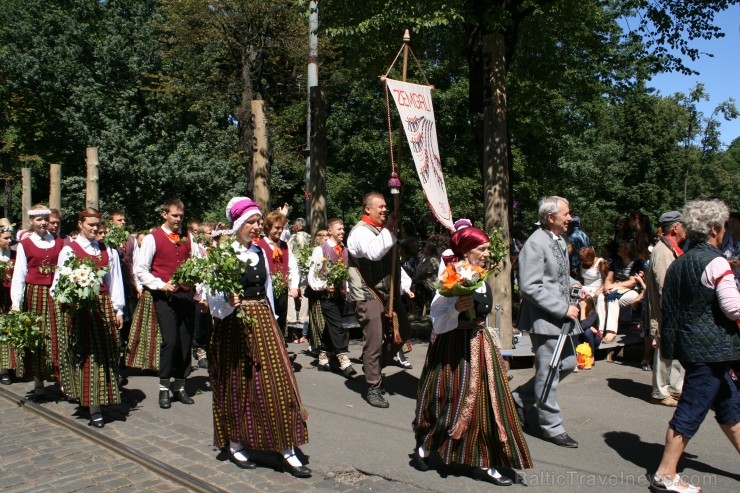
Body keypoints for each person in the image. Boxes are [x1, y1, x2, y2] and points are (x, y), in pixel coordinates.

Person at [413, 225, 532, 485]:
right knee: (448, 400)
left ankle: (487, 462)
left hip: (480, 344)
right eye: (482, 248)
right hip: (454, 348)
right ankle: (426, 444)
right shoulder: (451, 276)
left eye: (487, 248)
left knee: (489, 404)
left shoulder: (479, 273)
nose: (487, 253)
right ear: (466, 251)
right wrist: (456, 308)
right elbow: (438, 322)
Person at [207, 197, 310, 477]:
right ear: (238, 224)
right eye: (251, 222)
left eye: (257, 222)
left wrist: (274, 323)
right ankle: (237, 442)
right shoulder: (224, 254)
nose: (256, 227)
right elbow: (213, 301)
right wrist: (229, 301)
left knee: (277, 383)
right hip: (234, 325)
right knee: (239, 384)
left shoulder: (260, 252)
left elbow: (266, 291)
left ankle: (287, 446)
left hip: (262, 321)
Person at [651, 199, 740, 493]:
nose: (726, 231)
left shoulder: (680, 263)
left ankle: (666, 473)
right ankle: (665, 474)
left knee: (730, 406)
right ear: (715, 228)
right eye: (724, 225)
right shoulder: (716, 262)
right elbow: (732, 307)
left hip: (693, 347)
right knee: (690, 409)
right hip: (712, 350)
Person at [511, 196, 582, 448]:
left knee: (568, 364)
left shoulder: (559, 240)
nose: (570, 218)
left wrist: (576, 286)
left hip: (562, 319)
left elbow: (558, 277)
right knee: (549, 370)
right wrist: (563, 308)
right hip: (546, 319)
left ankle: (518, 398)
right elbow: (530, 286)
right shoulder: (535, 243)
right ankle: (552, 427)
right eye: (566, 214)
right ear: (551, 218)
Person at [51, 209, 124, 428]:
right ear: (80, 224)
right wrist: (71, 298)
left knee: (103, 355)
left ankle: (97, 401)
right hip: (79, 308)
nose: (94, 228)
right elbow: (58, 285)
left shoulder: (107, 250)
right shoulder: (69, 251)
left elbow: (115, 282)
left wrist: (118, 310)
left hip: (101, 306)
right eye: (90, 224)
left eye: (97, 224)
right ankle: (92, 405)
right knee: (85, 355)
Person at [132, 198, 199, 409]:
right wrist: (161, 284)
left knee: (185, 341)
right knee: (170, 342)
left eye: (181, 216)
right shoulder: (154, 238)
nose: (178, 219)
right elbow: (141, 269)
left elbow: (198, 263)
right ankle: (164, 387)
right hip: (166, 297)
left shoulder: (189, 237)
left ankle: (180, 386)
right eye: (174, 215)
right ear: (164, 215)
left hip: (186, 296)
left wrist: (199, 288)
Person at [347, 192, 411, 408]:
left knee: (403, 331)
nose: (385, 210)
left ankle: (373, 366)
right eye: (380, 207)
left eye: (386, 207)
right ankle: (373, 386)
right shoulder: (359, 232)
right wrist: (392, 228)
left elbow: (393, 264)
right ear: (367, 209)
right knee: (374, 340)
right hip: (367, 293)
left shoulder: (381, 230)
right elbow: (374, 252)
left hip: (388, 293)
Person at [10, 205, 67, 397]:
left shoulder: (59, 243)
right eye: (39, 220)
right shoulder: (25, 245)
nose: (43, 223)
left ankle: (62, 379)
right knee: (38, 338)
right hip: (35, 295)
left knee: (60, 336)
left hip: (56, 294)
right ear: (32, 222)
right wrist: (16, 303)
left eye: (45, 219)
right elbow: (19, 274)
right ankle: (38, 381)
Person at [646, 211, 686, 408]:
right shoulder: (662, 250)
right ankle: (660, 392)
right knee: (664, 349)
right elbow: (664, 285)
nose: (686, 229)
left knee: (677, 349)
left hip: (676, 309)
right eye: (683, 225)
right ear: (675, 227)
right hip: (667, 310)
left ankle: (675, 388)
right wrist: (671, 309)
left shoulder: (673, 248)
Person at [307, 218, 356, 378]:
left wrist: (349, 290)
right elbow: (313, 273)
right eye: (338, 229)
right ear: (330, 231)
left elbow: (348, 274)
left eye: (343, 229)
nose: (342, 232)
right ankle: (343, 359)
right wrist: (323, 285)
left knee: (331, 326)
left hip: (340, 295)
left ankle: (323, 357)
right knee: (337, 326)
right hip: (327, 295)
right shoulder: (321, 250)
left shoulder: (345, 250)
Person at [257, 211, 300, 343]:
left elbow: (293, 267)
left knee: (281, 320)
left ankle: (281, 353)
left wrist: (294, 286)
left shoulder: (285, 246)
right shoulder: (260, 246)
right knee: (268, 322)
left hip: (281, 290)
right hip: (265, 291)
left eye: (281, 227)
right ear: (268, 227)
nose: (280, 230)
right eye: (277, 227)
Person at [602, 240, 644, 344]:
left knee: (613, 299)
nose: (618, 249)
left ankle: (611, 331)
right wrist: (607, 285)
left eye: (620, 247)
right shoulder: (616, 261)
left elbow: (632, 282)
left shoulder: (636, 263)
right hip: (616, 289)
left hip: (632, 291)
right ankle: (600, 329)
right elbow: (609, 277)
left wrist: (613, 286)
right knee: (600, 298)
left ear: (627, 249)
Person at [0, 218, 22, 385]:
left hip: (11, 299)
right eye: (6, 238)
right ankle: (3, 370)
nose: (10, 241)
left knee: (10, 334)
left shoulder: (14, 256)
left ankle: (11, 366)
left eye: (10, 237)